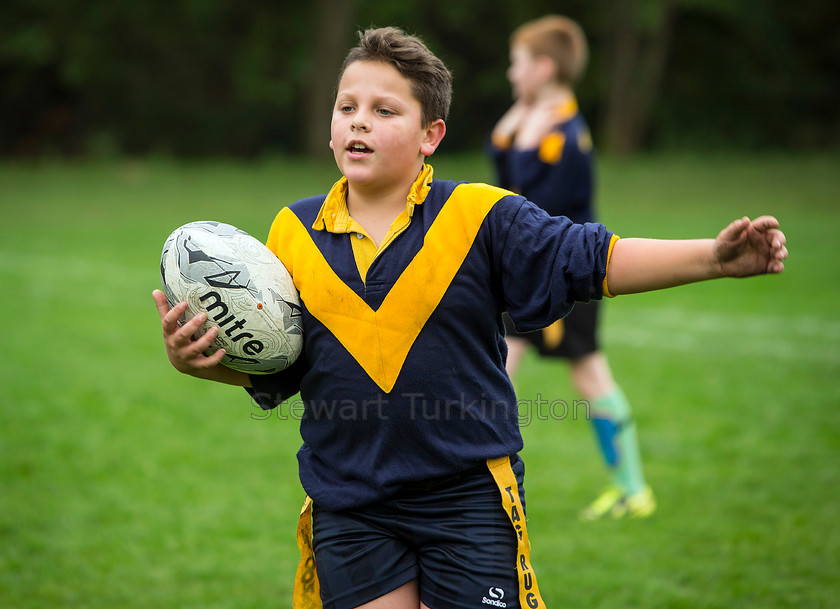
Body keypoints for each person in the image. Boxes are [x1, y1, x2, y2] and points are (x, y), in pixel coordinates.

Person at [152, 26, 787, 609]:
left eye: (384, 110)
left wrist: (714, 257)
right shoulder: (292, 231)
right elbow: (282, 369)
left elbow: (592, 258)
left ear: (431, 135)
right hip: (348, 503)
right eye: (347, 107)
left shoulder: (480, 217)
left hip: (467, 500)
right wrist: (205, 363)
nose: (358, 124)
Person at [488, 15, 653, 521]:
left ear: (544, 67)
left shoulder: (565, 134)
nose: (511, 74)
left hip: (566, 274)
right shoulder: (535, 122)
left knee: (588, 374)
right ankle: (479, 485)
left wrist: (523, 140)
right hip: (525, 273)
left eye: (518, 64)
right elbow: (504, 173)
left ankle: (632, 490)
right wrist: (516, 130)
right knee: (496, 367)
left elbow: (537, 208)